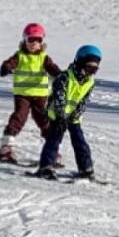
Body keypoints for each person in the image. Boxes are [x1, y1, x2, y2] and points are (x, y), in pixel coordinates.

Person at [0, 22, 62, 162]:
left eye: (38, 40)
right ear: (25, 40)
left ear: (42, 42)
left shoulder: (44, 57)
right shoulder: (20, 56)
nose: (34, 43)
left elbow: (52, 68)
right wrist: (6, 67)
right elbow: (10, 63)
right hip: (23, 94)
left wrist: (60, 76)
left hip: (40, 96)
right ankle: (6, 147)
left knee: (44, 120)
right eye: (31, 39)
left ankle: (52, 150)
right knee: (19, 117)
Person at [35, 44, 101, 180]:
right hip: (58, 116)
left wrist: (74, 116)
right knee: (54, 140)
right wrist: (61, 116)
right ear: (80, 62)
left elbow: (83, 102)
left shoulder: (90, 82)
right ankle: (46, 167)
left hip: (73, 118)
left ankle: (86, 168)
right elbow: (59, 97)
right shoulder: (65, 77)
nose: (90, 73)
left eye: (94, 70)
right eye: (88, 68)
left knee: (80, 141)